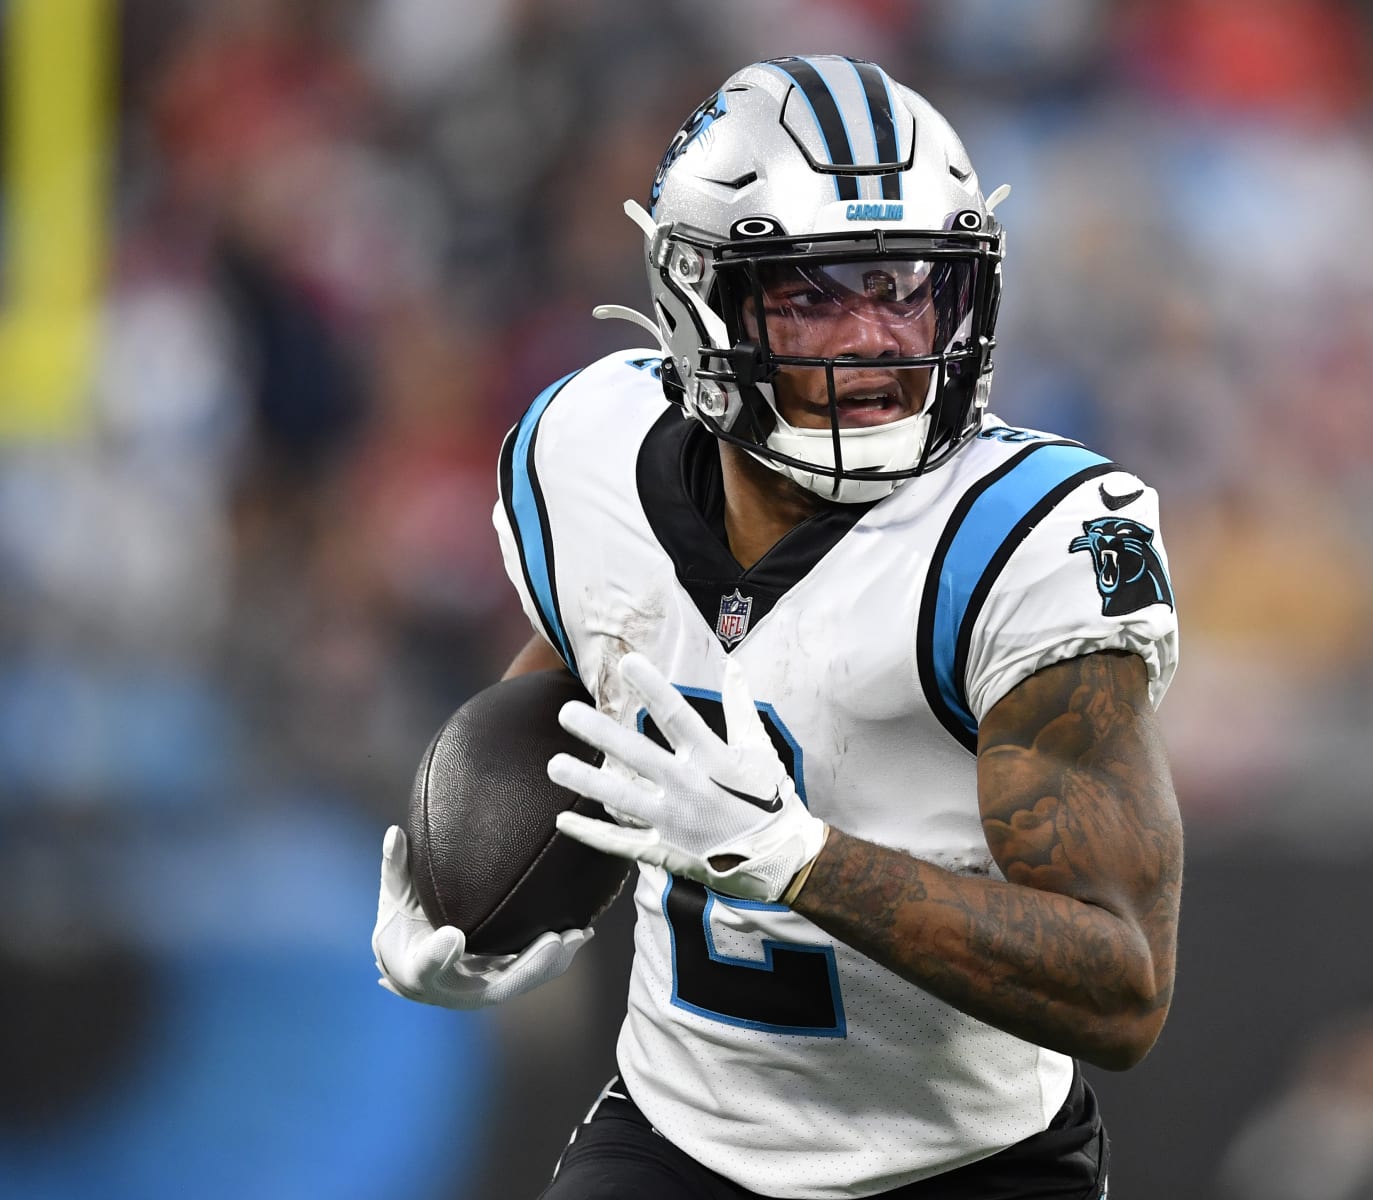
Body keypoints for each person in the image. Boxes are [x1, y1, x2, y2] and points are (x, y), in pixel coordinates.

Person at [372, 55, 1183, 1200]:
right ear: (699, 299)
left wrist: (801, 862)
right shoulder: (588, 449)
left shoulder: (1022, 542)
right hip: (679, 1134)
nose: (874, 342)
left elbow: (1125, 987)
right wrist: (482, 895)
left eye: (907, 288)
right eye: (813, 296)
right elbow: (592, 654)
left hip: (968, 1166)